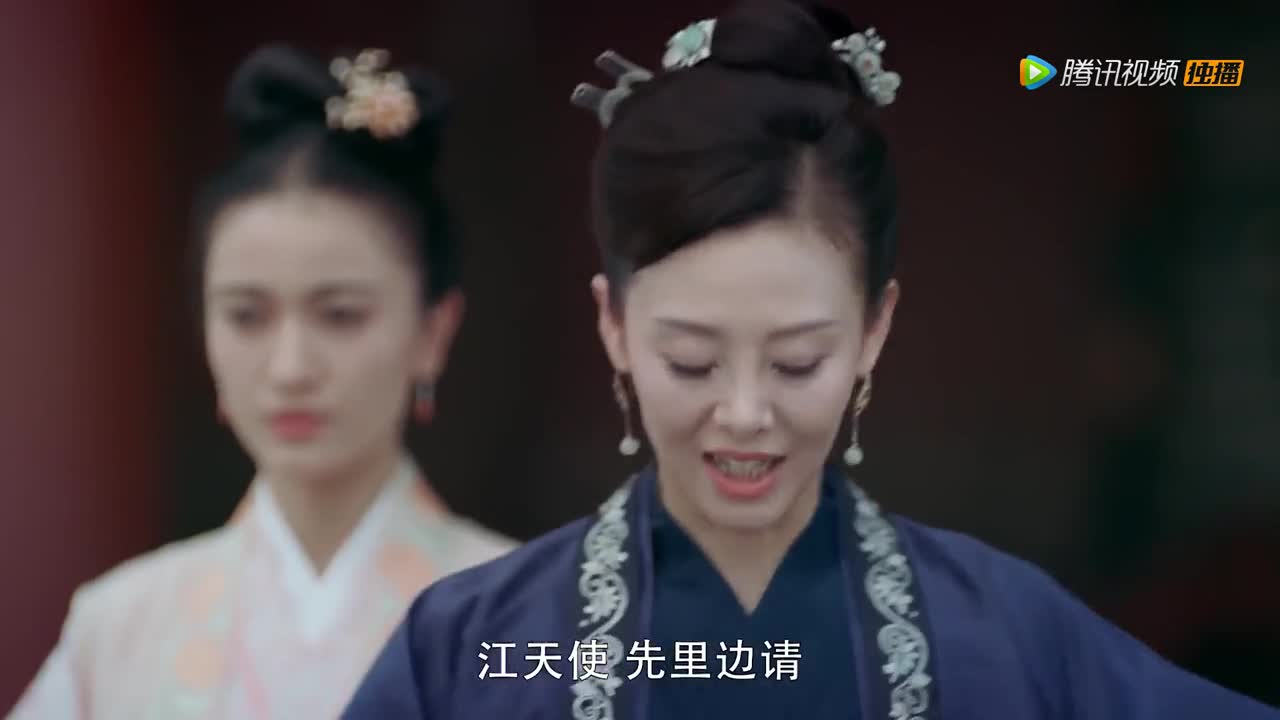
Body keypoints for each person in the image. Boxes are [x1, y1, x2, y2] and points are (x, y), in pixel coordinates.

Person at [341, 1, 1280, 717]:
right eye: (692, 361)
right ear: (614, 327)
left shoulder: (1011, 636)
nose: (746, 414)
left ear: (874, 329)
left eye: (796, 363)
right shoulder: (471, 648)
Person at [9, 44, 515, 719]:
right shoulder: (116, 627)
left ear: (433, 332)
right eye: (246, 316)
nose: (289, 368)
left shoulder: (530, 616)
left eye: (340, 314)